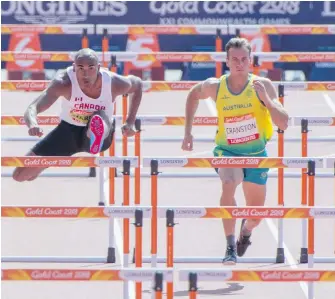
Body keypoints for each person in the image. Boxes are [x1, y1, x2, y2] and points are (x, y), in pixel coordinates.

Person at [181, 37, 289, 265]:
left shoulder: (263, 85)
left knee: (256, 214)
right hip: (226, 151)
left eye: (244, 59)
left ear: (250, 61)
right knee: (229, 181)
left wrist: (267, 101)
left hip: (256, 154)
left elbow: (284, 123)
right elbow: (192, 94)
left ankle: (245, 232)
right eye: (235, 59)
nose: (239, 63)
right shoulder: (216, 86)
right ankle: (230, 246)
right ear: (227, 62)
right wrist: (188, 132)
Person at [13, 48, 143, 182]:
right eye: (81, 68)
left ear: (99, 68)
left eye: (91, 68)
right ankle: (48, 160)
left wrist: (130, 122)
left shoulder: (113, 83)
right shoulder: (63, 83)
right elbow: (33, 107)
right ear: (74, 68)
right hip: (68, 131)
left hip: (101, 133)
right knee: (20, 176)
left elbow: (137, 84)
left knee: (97, 117)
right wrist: (32, 124)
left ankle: (94, 136)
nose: (85, 74)